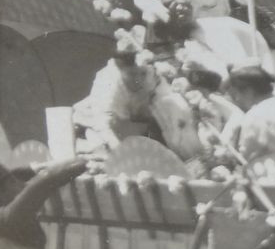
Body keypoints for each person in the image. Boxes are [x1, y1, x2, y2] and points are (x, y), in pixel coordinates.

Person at [69, 42, 203, 160]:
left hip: (139, 123)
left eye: (140, 73)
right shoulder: (108, 84)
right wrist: (122, 153)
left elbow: (172, 104)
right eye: (131, 75)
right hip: (98, 125)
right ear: (120, 70)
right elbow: (104, 125)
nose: (137, 78)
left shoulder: (148, 72)